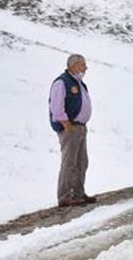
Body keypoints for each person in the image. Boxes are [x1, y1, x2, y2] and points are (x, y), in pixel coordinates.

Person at [49, 54, 96, 207]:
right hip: (70, 127)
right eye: (83, 65)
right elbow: (56, 106)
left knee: (82, 161)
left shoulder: (79, 83)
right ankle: (64, 195)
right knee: (69, 162)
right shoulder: (62, 82)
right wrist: (65, 122)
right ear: (74, 65)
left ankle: (78, 193)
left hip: (80, 127)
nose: (85, 68)